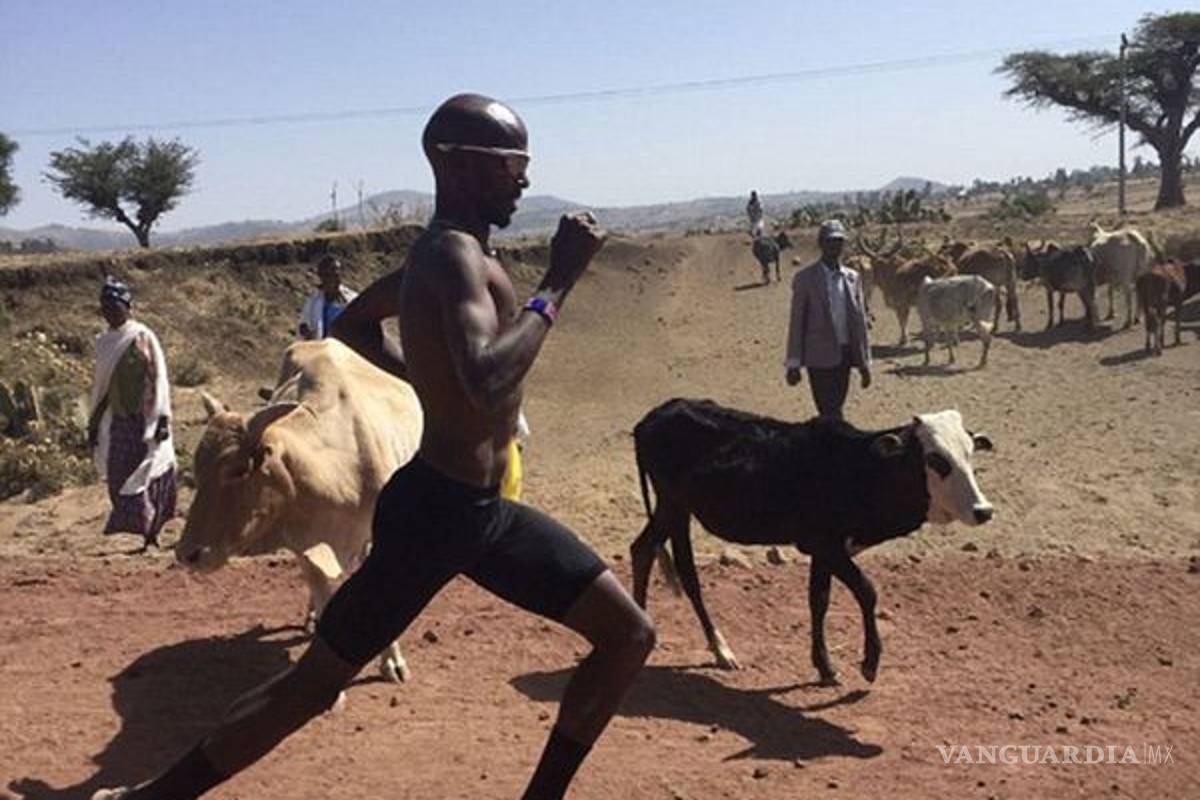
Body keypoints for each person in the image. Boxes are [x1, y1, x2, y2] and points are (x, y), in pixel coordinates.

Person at [92, 93, 655, 800]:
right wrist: (558, 282)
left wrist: (430, 377)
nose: (523, 178)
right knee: (313, 685)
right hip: (439, 515)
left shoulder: (453, 254)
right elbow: (484, 381)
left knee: (628, 636)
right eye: (513, 162)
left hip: (476, 512)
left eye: (526, 163)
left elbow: (356, 326)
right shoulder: (451, 257)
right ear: (455, 164)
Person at [86, 278, 177, 550]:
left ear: (128, 307)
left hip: (146, 420)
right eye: (105, 307)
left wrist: (162, 418)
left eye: (115, 306)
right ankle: (143, 528)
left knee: (150, 473)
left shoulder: (142, 337)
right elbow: (101, 389)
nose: (110, 312)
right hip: (119, 423)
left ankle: (152, 534)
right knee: (119, 478)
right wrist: (92, 426)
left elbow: (159, 377)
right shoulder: (104, 343)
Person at [784, 220, 872, 419]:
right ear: (821, 244)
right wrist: (793, 363)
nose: (835, 246)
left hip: (845, 355)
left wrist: (864, 363)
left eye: (839, 241)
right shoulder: (805, 279)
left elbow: (859, 323)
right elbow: (797, 323)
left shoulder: (853, 278)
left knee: (837, 407)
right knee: (828, 410)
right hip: (819, 357)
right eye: (831, 241)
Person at [297, 255, 358, 340]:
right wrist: (306, 332)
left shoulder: (352, 299)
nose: (334, 279)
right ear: (321, 277)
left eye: (337, 275)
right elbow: (302, 327)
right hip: (324, 349)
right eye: (329, 275)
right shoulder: (313, 303)